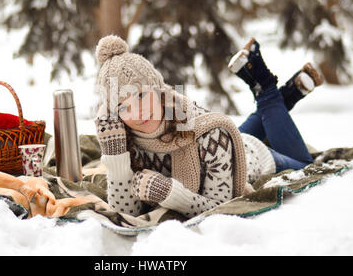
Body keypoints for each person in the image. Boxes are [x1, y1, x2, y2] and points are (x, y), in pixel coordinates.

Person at [94, 35, 324, 219]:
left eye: (142, 95)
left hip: (255, 156)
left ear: (159, 89)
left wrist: (170, 193)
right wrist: (115, 154)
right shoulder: (124, 137)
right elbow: (125, 214)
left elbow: (221, 210)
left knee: (306, 164)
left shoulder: (208, 132)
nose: (138, 113)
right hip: (230, 144)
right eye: (123, 107)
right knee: (238, 132)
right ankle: (291, 94)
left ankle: (265, 87)